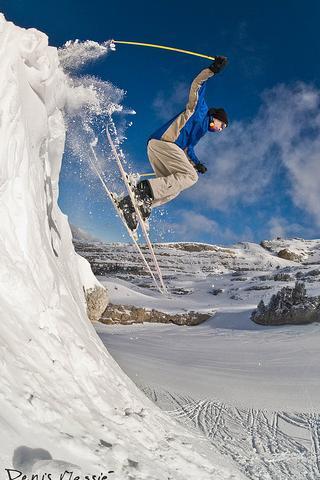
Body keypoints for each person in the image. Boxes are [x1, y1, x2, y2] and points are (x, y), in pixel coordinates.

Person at [119, 56, 229, 231]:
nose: (221, 129)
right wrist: (212, 70)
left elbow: (189, 149)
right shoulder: (199, 109)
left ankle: (132, 204)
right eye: (222, 125)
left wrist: (197, 163)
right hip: (164, 143)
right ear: (216, 118)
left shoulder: (201, 132)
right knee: (191, 177)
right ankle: (143, 191)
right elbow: (197, 85)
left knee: (173, 189)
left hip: (162, 150)